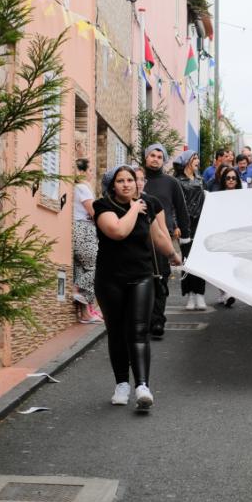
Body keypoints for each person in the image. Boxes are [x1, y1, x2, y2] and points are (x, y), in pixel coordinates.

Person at [94, 165, 182, 410]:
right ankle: (122, 384)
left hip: (141, 276)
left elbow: (158, 236)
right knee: (117, 332)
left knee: (139, 331)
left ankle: (142, 386)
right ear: (113, 186)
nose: (126, 184)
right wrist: (134, 207)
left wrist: (173, 255)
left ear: (136, 183)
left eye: (130, 180)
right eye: (120, 181)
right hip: (110, 279)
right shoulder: (103, 207)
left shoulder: (148, 206)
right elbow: (118, 231)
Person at [139, 144, 191, 338]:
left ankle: (158, 321)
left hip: (163, 238)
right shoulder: (137, 180)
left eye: (159, 157)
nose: (155, 159)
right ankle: (142, 320)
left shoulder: (171, 182)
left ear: (164, 160)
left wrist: (185, 238)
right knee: (141, 280)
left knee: (160, 280)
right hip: (138, 237)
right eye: (152, 155)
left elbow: (181, 210)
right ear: (146, 157)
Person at [173, 150, 208, 311]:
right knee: (187, 261)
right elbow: (174, 205)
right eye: (195, 158)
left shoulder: (201, 180)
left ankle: (200, 294)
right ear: (187, 161)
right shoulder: (177, 181)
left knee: (200, 261)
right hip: (184, 224)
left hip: (200, 224)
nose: (198, 161)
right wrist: (176, 225)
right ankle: (190, 295)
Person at [72, 159, 103, 324]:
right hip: (84, 230)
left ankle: (85, 314)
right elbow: (93, 212)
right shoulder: (83, 188)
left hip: (76, 230)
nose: (92, 173)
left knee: (81, 268)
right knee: (97, 264)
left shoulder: (75, 188)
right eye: (90, 170)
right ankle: (78, 290)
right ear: (82, 171)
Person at [215, 166, 242, 307]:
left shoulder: (243, 197)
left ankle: (227, 293)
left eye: (233, 178)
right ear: (224, 180)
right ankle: (224, 293)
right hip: (221, 236)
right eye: (228, 178)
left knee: (231, 266)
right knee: (219, 265)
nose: (231, 180)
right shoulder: (217, 197)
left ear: (237, 180)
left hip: (237, 236)